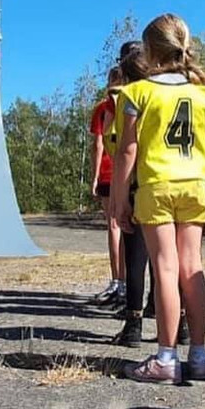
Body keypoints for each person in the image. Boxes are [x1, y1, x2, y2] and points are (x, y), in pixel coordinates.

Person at [112, 14, 205, 384]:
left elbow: (127, 151)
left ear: (150, 51)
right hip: (195, 185)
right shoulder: (203, 94)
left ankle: (166, 358)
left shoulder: (136, 94)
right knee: (192, 266)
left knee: (165, 269)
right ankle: (200, 355)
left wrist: (119, 199)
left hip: (157, 186)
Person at [110, 40, 187, 348]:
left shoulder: (131, 98)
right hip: (181, 179)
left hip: (144, 182)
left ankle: (133, 323)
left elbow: (123, 150)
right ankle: (182, 325)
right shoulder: (175, 95)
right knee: (172, 259)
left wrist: (119, 197)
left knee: (137, 255)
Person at [89, 67, 125, 306]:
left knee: (114, 225)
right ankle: (132, 285)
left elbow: (98, 144)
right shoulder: (139, 101)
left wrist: (94, 177)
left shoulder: (104, 108)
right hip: (134, 173)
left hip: (109, 172)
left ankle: (118, 282)